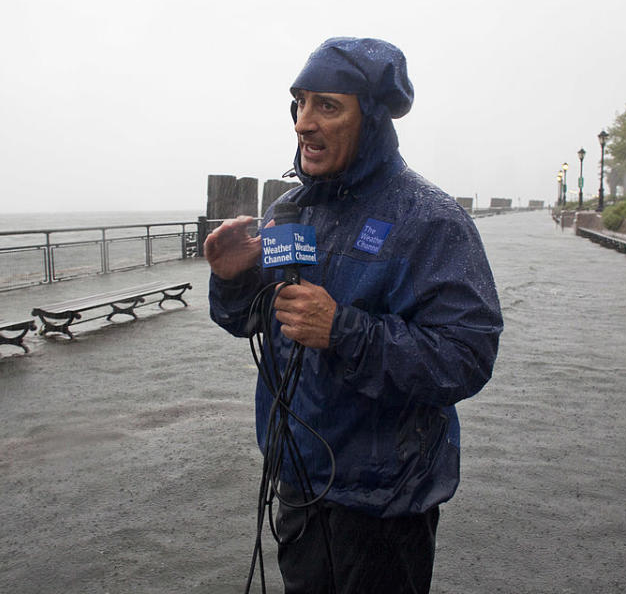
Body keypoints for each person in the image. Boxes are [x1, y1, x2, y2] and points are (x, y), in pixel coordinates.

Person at [205, 37, 503, 594]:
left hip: (385, 504)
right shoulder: (291, 211)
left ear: (370, 118)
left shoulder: (430, 220)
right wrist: (232, 279)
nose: (303, 123)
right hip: (298, 480)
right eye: (299, 103)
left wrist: (342, 331)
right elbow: (254, 321)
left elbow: (467, 358)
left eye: (327, 105)